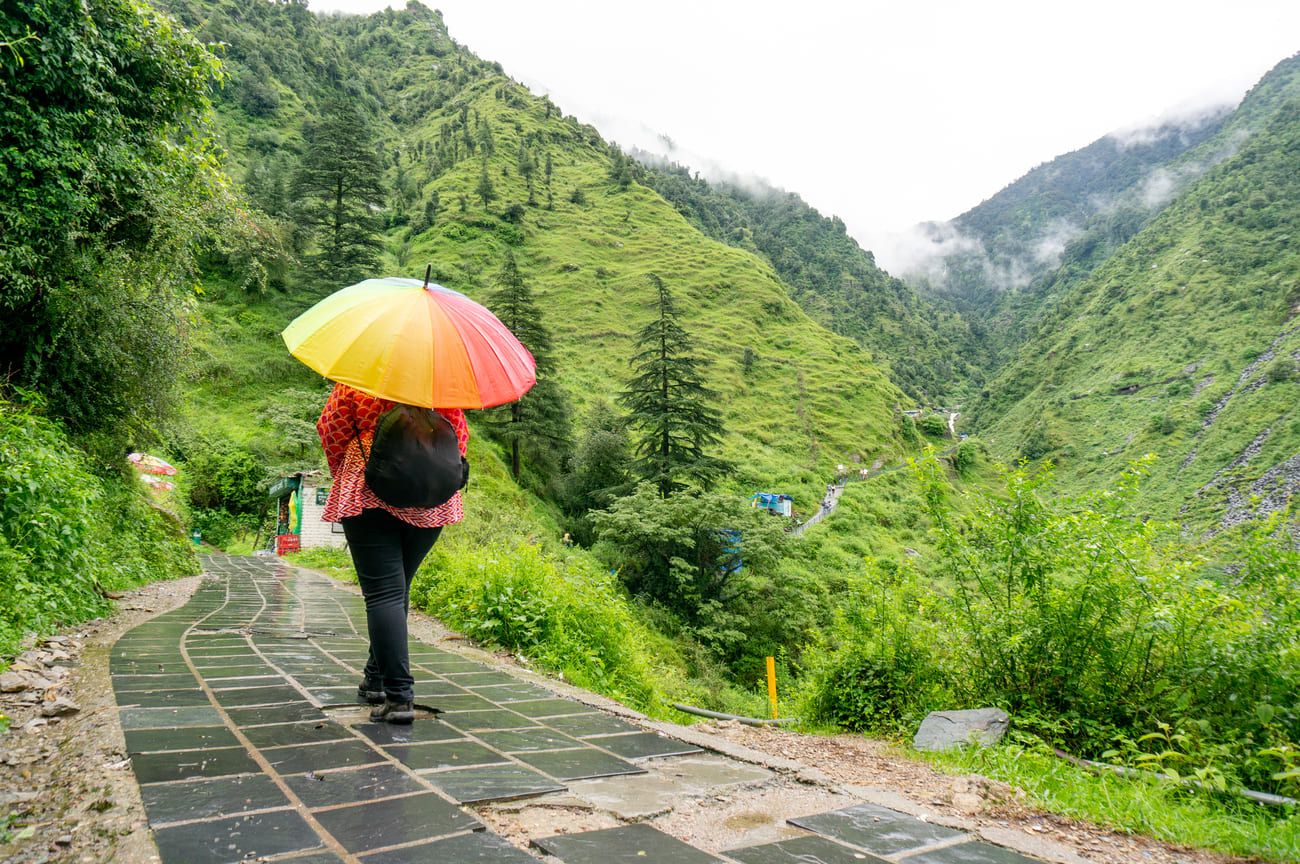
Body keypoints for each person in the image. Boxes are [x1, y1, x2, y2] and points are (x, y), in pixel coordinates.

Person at [316, 383, 469, 723]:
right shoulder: (440, 386)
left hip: (369, 484)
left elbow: (331, 430)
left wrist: (348, 470)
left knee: (384, 592)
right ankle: (376, 677)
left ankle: (399, 696)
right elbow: (459, 436)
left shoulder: (357, 380)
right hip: (430, 492)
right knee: (396, 590)